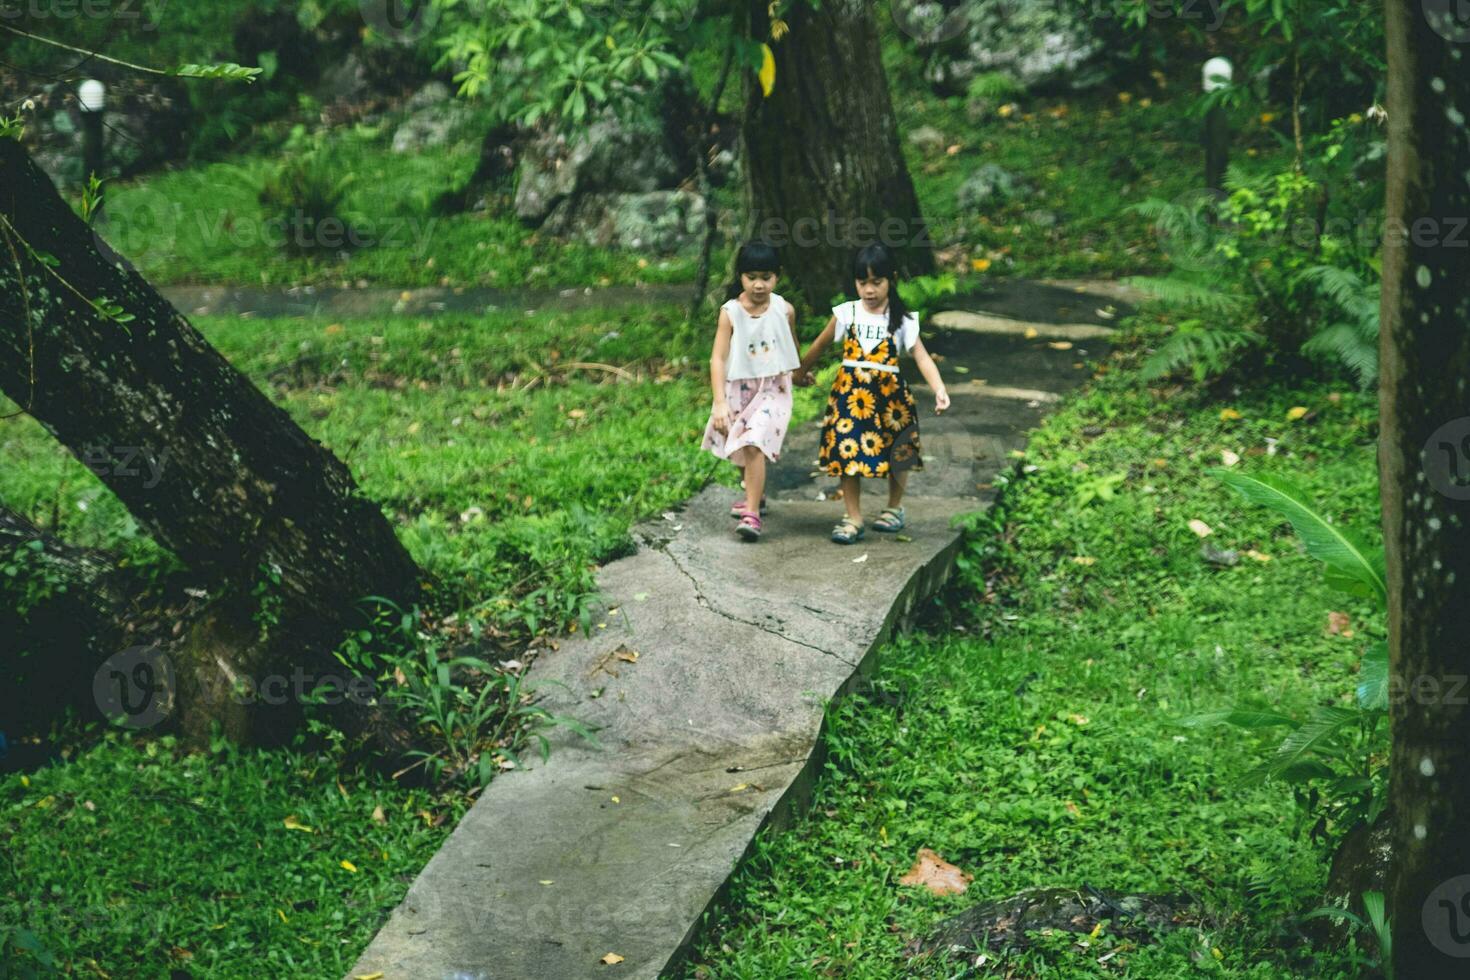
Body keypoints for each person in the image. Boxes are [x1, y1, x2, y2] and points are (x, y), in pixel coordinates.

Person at [794, 244, 951, 544]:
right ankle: (853, 516)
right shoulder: (846, 313)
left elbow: (922, 357)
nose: (869, 290)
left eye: (876, 282)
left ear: (890, 279)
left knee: (898, 449)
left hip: (890, 399)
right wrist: (799, 372)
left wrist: (939, 388)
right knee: (847, 449)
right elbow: (818, 346)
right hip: (851, 397)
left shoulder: (902, 319)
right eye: (862, 282)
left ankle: (894, 508)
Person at [702, 241, 802, 541]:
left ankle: (752, 514)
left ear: (778, 276)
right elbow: (718, 358)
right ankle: (754, 494)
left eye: (766, 277)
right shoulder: (730, 312)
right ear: (741, 277)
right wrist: (719, 403)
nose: (759, 285)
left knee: (755, 441)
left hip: (773, 388)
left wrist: (800, 373)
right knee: (737, 444)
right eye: (751, 277)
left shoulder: (784, 310)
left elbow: (790, 347)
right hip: (738, 388)